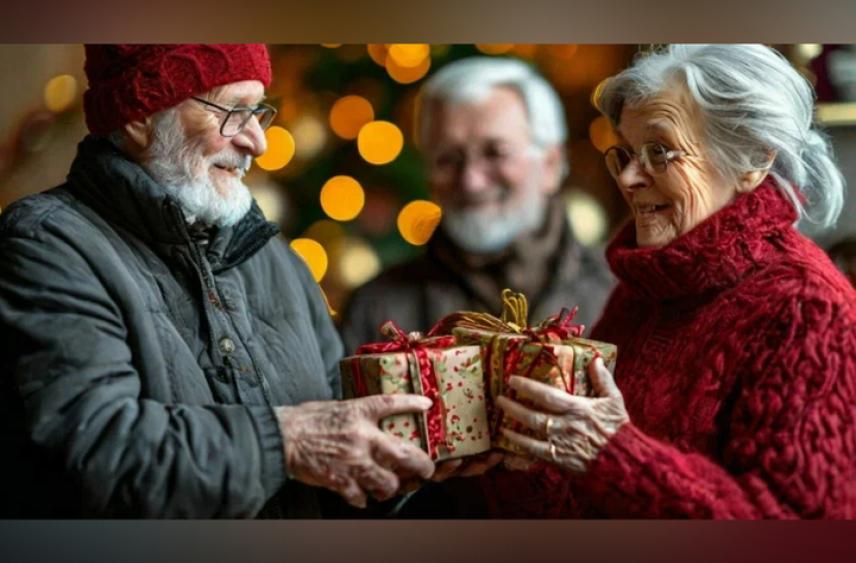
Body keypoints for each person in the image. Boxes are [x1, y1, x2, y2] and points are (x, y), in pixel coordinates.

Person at [0, 44, 436, 518]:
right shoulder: (47, 244)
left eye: (258, 112)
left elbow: (335, 471)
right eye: (232, 111)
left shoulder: (274, 257)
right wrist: (288, 440)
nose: (258, 142)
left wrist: (404, 467)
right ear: (140, 115)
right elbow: (103, 459)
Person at [497, 44, 856, 518]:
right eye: (625, 152)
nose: (628, 177)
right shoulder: (647, 287)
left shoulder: (809, 308)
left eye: (659, 152)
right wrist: (509, 452)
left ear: (751, 160)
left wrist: (611, 456)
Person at [340, 56, 614, 516]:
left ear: (550, 162)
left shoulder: (622, 290)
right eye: (449, 158)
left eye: (495, 152)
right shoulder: (379, 305)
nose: (470, 179)